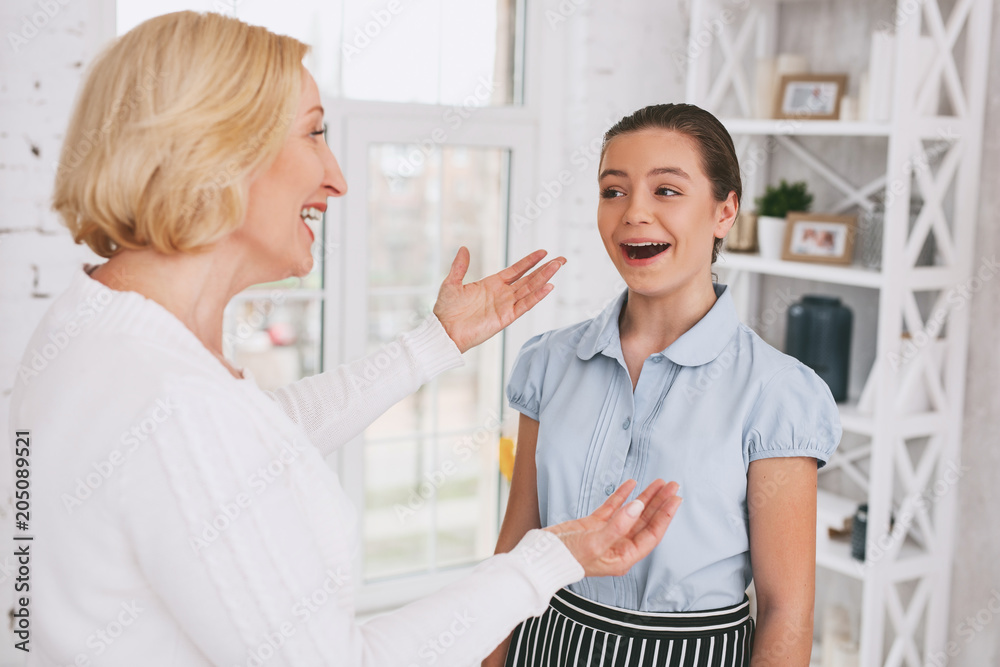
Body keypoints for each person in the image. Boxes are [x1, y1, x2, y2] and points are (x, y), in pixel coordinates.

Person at [10, 12, 684, 666]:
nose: (336, 175)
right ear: (217, 149)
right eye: (313, 134)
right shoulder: (171, 400)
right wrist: (550, 558)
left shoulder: (97, 322)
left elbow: (253, 436)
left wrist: (435, 342)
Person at [485, 105, 843, 666]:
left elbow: (786, 611)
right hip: (547, 645)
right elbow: (513, 551)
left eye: (667, 191)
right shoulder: (549, 363)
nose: (634, 214)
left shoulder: (777, 394)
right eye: (613, 191)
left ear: (725, 212)